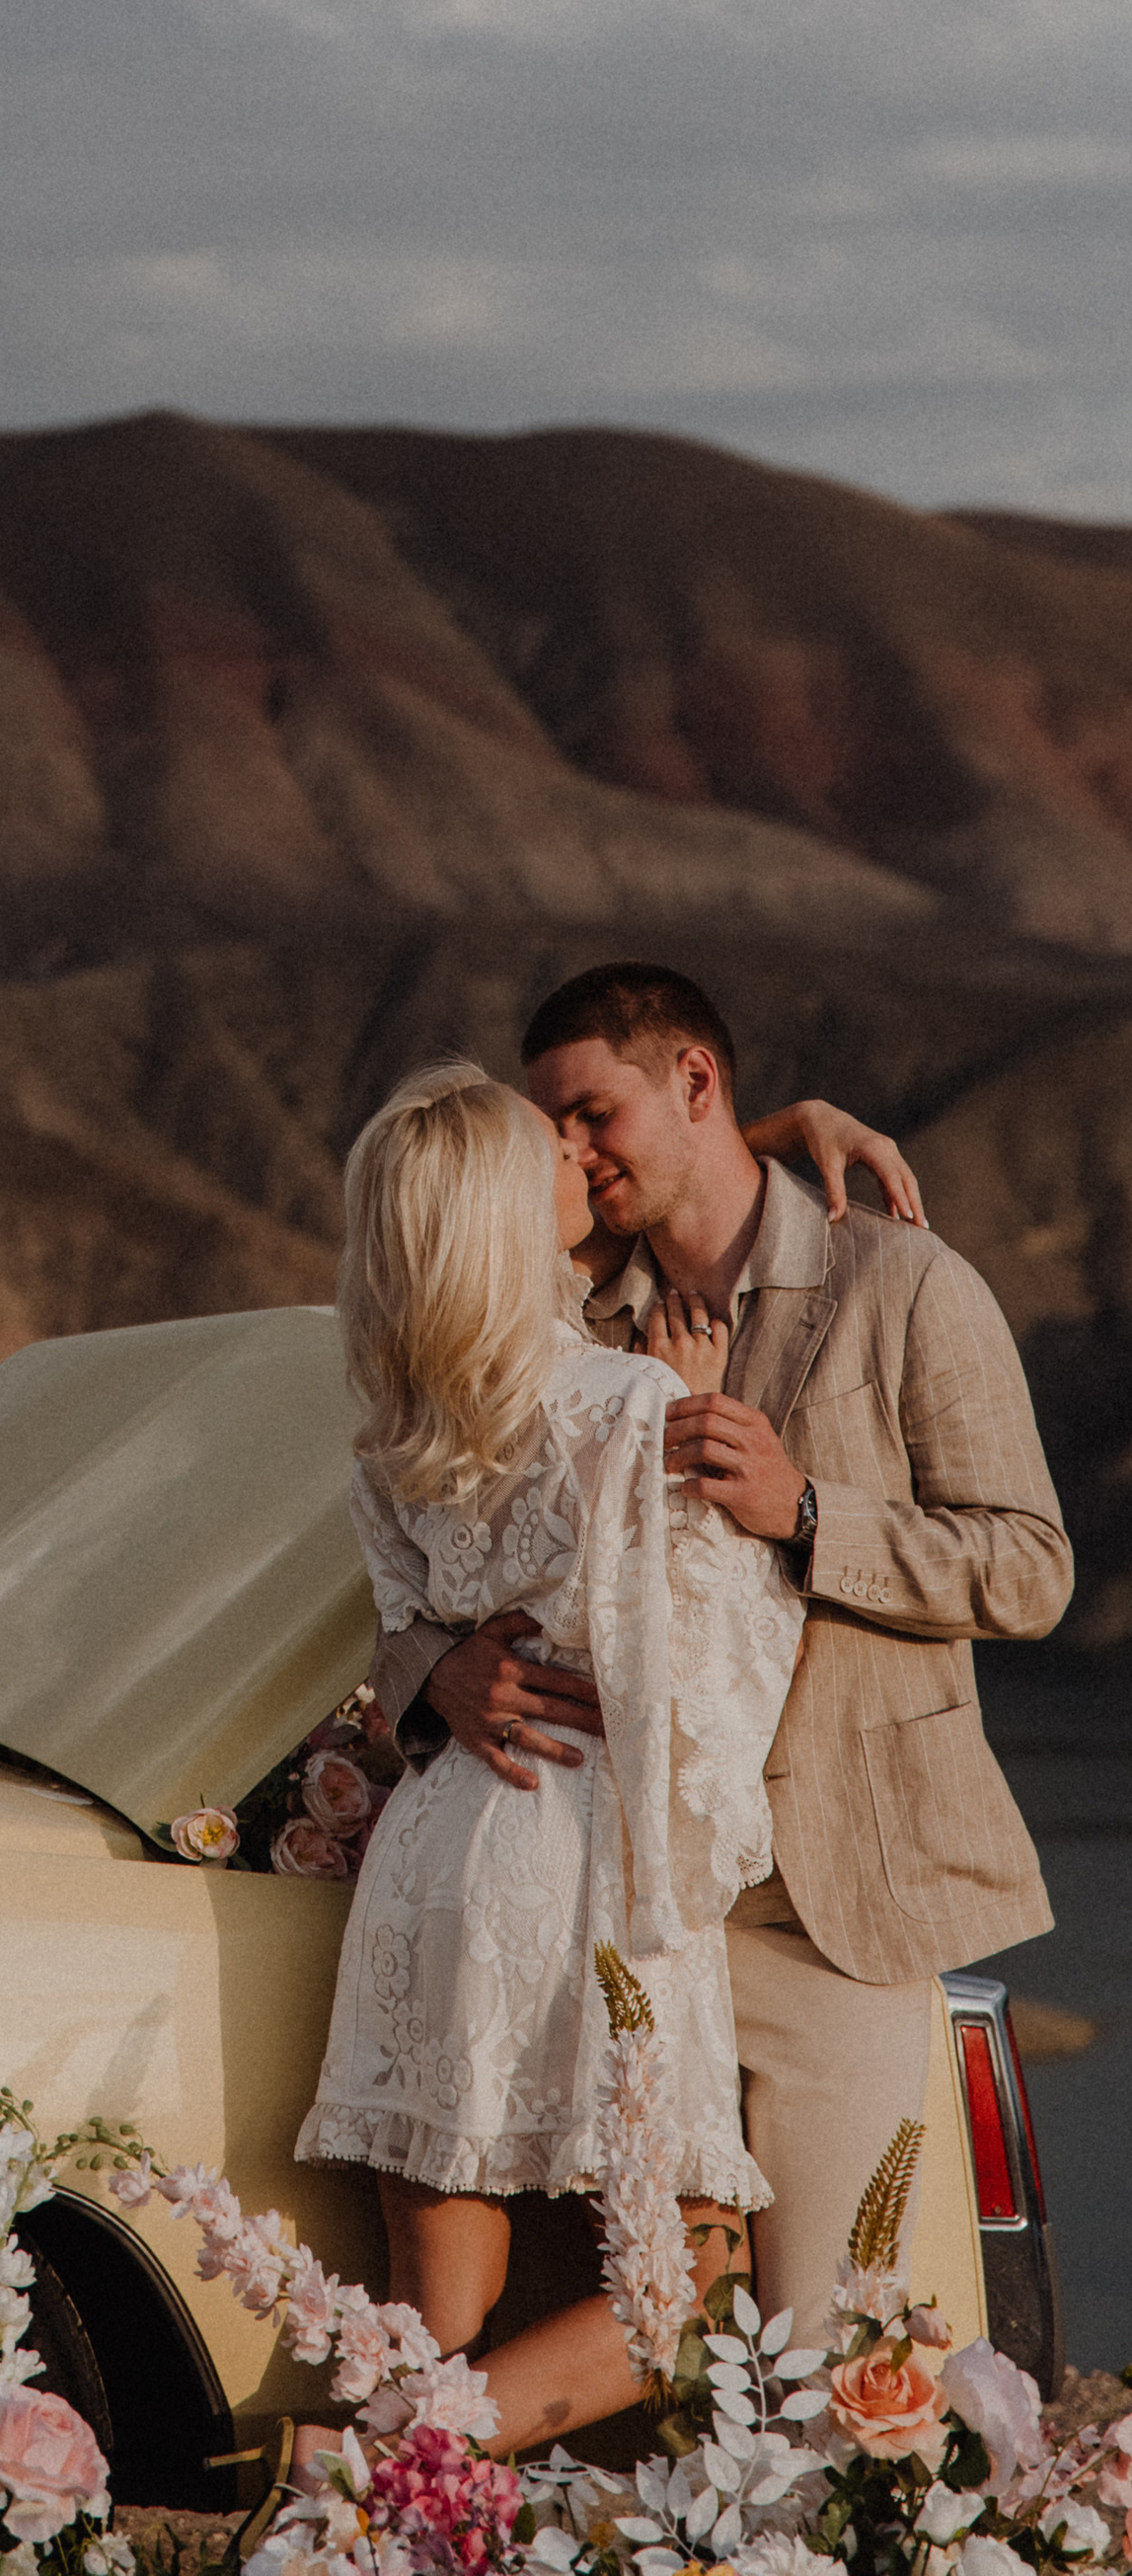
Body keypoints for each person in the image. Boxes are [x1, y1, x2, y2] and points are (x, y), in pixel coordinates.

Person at [372, 966, 1073, 2332]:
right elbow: (416, 1528)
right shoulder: (568, 1314)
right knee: (663, 2344)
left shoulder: (905, 1284)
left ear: (696, 1082)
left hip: (835, 1904)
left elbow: (1030, 1566)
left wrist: (806, 1510)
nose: (568, 1154)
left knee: (821, 2343)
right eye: (551, 1130)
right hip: (628, 1913)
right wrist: (431, 1679)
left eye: (591, 1114)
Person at [296, 1059, 803, 2453]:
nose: (581, 1165)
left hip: (432, 1855)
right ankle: (369, 2472)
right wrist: (705, 1469)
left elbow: (406, 1638)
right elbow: (705, 1668)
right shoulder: (630, 1407)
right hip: (580, 1856)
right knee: (683, 2294)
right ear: (515, 1216)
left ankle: (379, 2488)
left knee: (437, 2305)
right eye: (553, 1159)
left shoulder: (391, 1439)